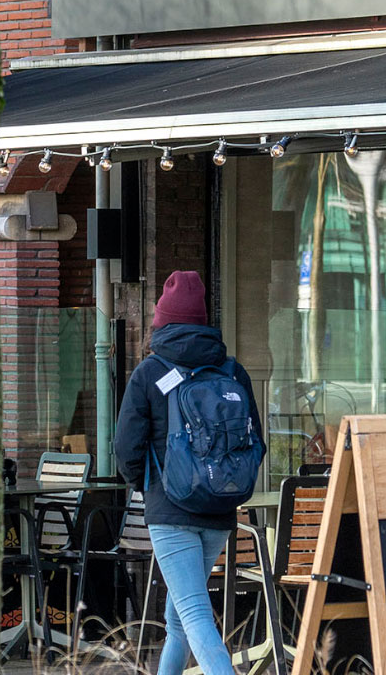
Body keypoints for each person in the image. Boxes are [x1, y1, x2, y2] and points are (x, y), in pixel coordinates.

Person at [116, 270, 260, 675]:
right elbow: (256, 443)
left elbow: (125, 447)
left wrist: (147, 487)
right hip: (218, 510)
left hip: (170, 509)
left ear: (161, 320)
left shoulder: (150, 372)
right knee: (179, 619)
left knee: (193, 613)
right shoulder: (232, 372)